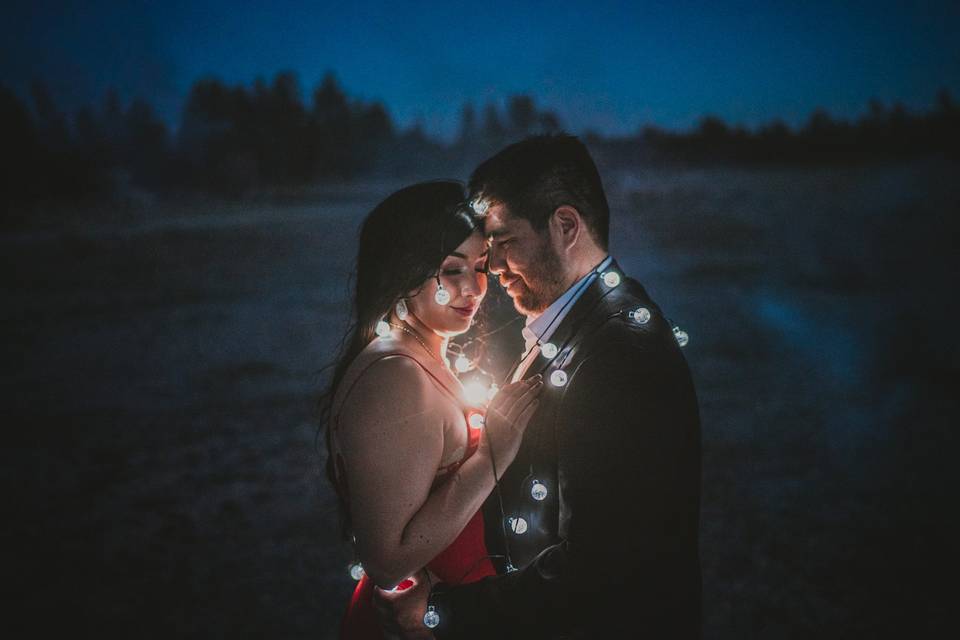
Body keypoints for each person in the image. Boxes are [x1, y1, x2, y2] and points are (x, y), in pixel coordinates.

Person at [373, 136, 702, 639]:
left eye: (504, 243)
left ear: (566, 226)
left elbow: (602, 572)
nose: (495, 268)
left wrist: (442, 611)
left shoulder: (619, 356)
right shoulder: (577, 325)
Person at [319, 181, 544, 640]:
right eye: (451, 270)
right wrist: (490, 459)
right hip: (417, 623)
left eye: (480, 267)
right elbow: (386, 558)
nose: (474, 289)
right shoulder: (394, 377)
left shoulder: (423, 352)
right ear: (403, 270)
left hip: (453, 608)